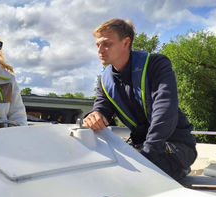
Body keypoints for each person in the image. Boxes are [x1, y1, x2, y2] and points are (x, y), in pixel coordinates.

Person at [83, 18, 197, 181]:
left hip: (175, 145)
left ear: (126, 42)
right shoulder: (104, 82)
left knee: (137, 175)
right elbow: (101, 108)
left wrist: (145, 155)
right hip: (140, 146)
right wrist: (95, 116)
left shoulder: (157, 65)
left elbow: (165, 109)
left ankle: (180, 169)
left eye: (106, 43)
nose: (100, 50)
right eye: (97, 45)